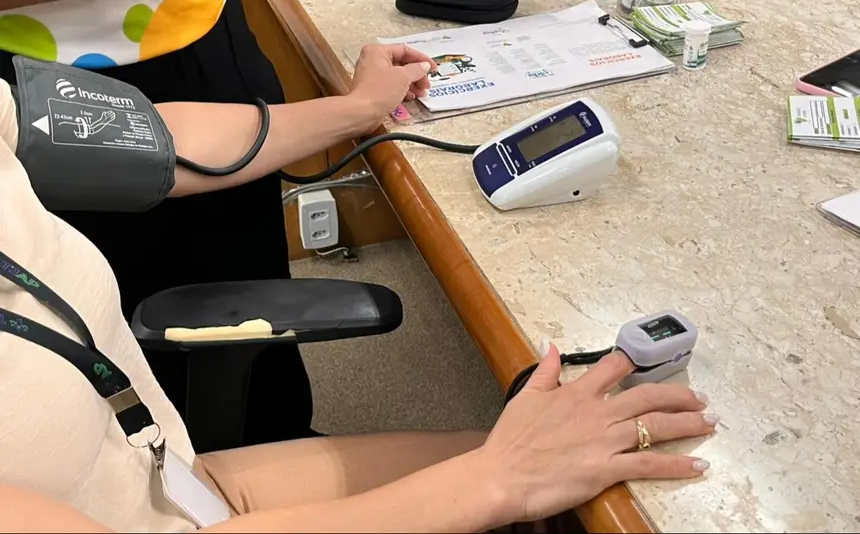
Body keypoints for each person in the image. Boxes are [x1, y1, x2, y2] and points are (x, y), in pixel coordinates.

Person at [0, 63, 716, 531]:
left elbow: (152, 137)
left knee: (594, 484)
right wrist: (500, 478)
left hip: (175, 485)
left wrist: (356, 108)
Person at [0, 0, 535, 448]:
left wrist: (357, 109)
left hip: (194, 47)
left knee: (243, 320)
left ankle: (265, 438)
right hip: (42, 79)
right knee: (110, 338)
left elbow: (166, 146)